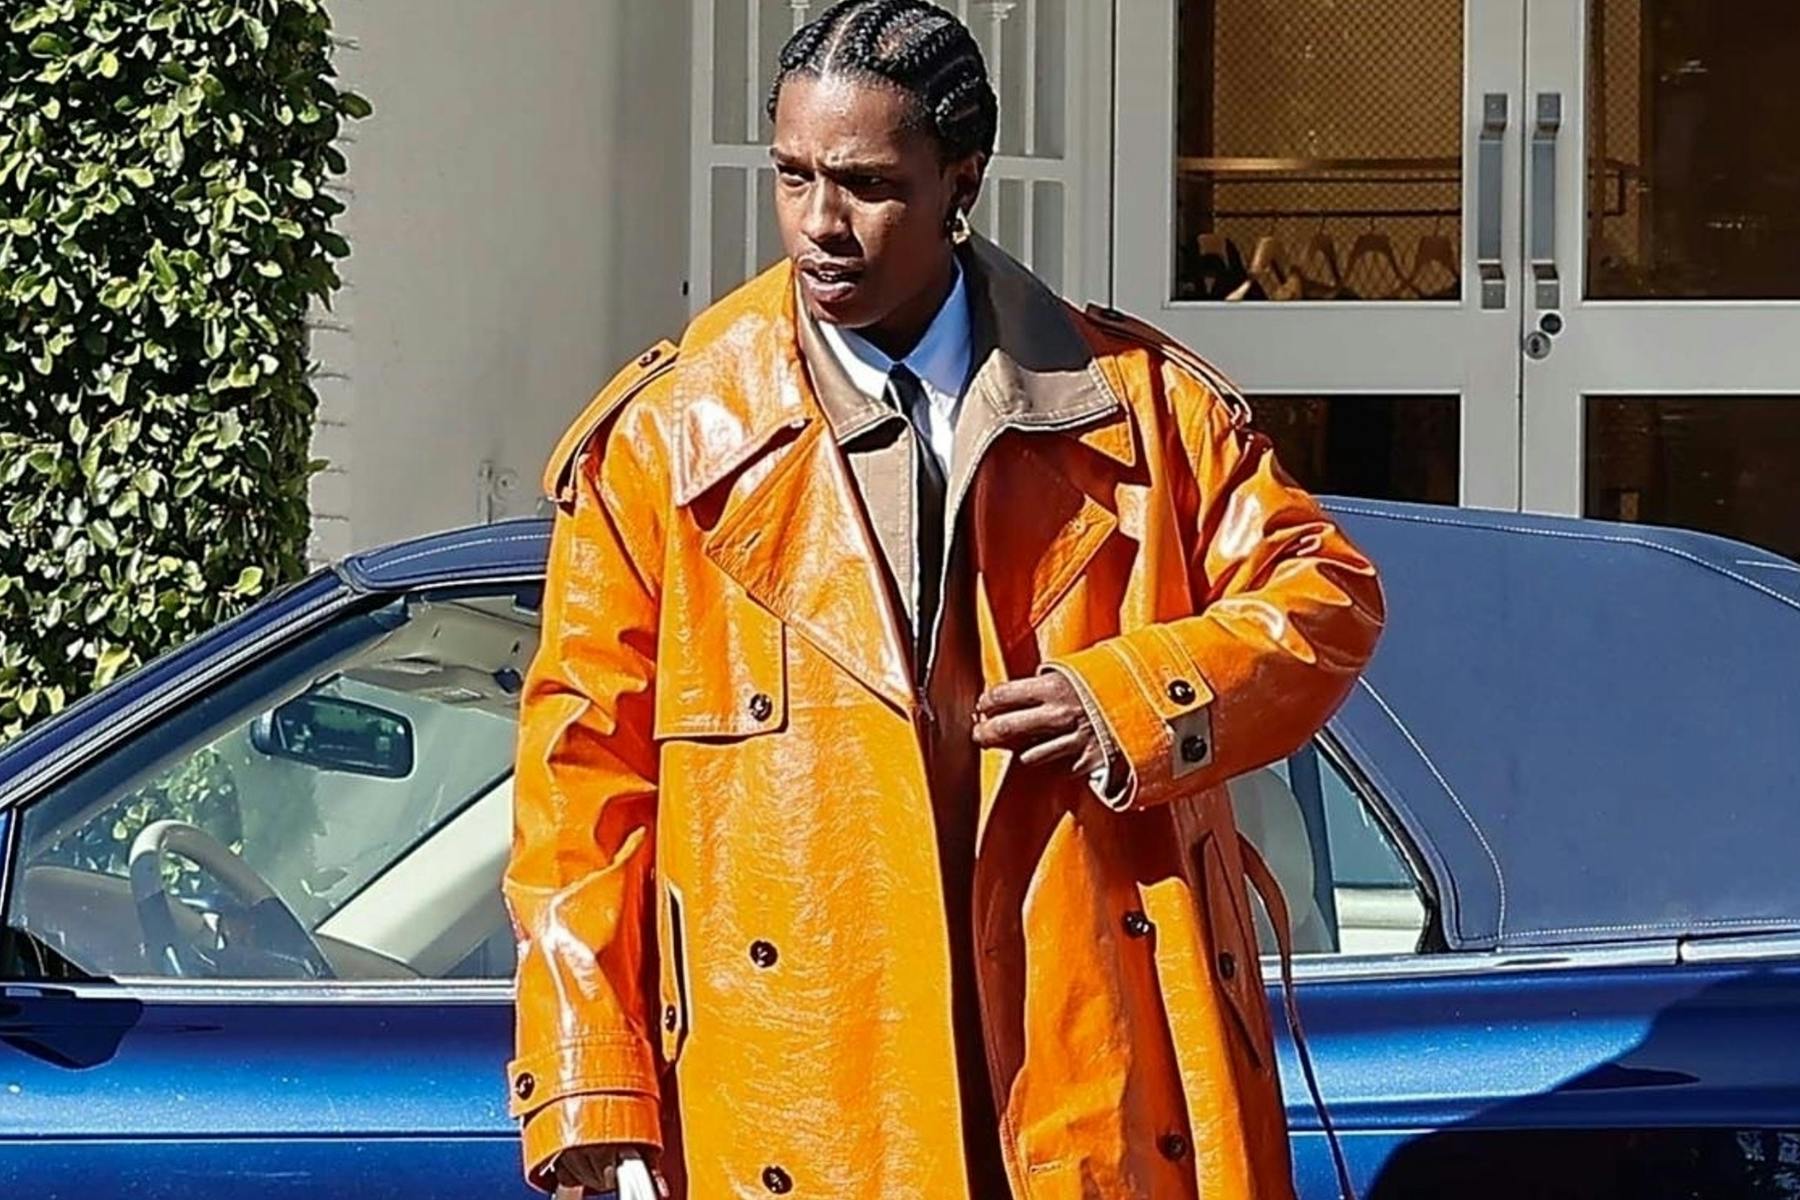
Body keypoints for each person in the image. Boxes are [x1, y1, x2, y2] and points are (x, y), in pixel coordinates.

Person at [504, 2, 1384, 1197]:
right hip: (806, 1068)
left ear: (961, 180)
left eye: (867, 185)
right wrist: (588, 1080)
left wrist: (1126, 697)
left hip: (1086, 1047)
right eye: (793, 175)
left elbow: (1323, 594)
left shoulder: (1137, 404)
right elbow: (582, 778)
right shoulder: (668, 440)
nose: (821, 225)